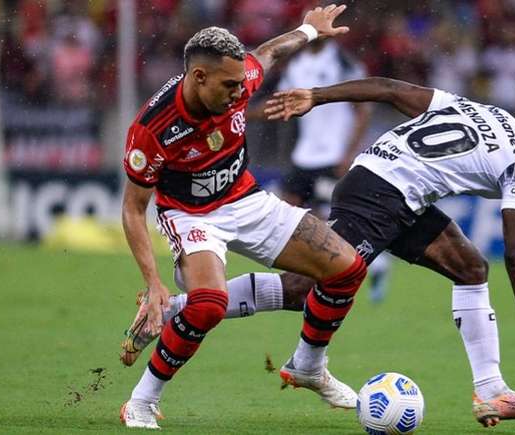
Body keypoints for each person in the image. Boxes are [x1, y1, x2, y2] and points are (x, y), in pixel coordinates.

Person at [129, 76, 515, 427]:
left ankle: (491, 389)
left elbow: (390, 89)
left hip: (387, 183)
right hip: (384, 195)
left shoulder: (496, 117)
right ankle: (176, 310)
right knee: (304, 289)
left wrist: (318, 95)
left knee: (470, 268)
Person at [117, 6, 369, 430]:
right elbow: (132, 209)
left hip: (246, 198)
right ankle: (141, 401)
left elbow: (269, 52)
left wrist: (310, 29)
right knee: (210, 305)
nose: (240, 92)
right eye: (229, 85)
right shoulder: (154, 128)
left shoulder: (241, 76)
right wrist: (154, 281)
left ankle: (308, 366)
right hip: (190, 215)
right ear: (198, 78)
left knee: (347, 269)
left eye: (241, 83)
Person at [276, 36, 393, 303]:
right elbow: (285, 102)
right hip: (303, 155)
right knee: (287, 212)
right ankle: (302, 272)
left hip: (333, 155)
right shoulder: (297, 64)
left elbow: (363, 111)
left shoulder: (344, 62)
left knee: (326, 219)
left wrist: (349, 153)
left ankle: (374, 265)